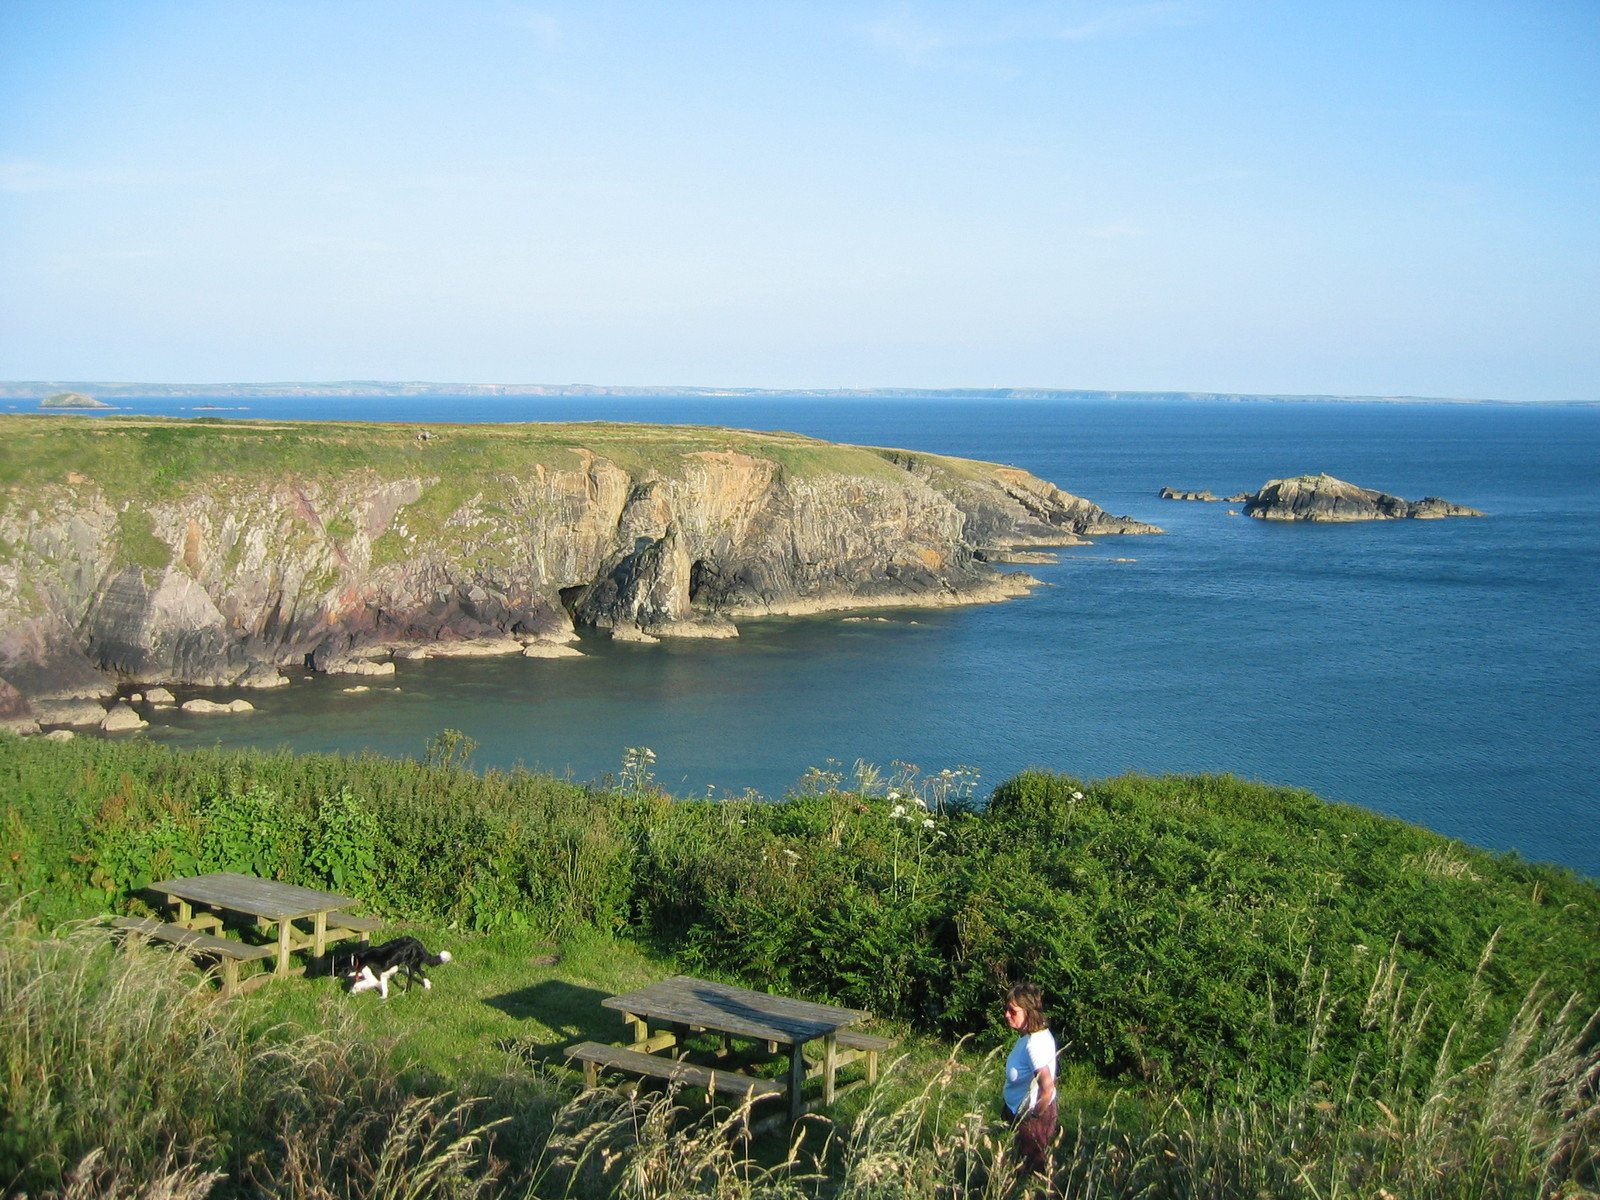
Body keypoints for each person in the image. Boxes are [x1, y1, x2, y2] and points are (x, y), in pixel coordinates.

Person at [1001, 982, 1058, 1181]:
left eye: (1012, 1011)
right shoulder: (1031, 1036)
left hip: (1031, 1121)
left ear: (1029, 1012)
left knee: (1032, 1177)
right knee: (1016, 1171)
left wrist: (1033, 1117)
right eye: (1006, 1009)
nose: (1007, 1015)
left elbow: (1047, 1087)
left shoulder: (1035, 1045)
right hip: (1018, 1113)